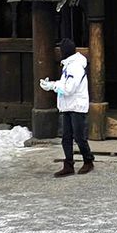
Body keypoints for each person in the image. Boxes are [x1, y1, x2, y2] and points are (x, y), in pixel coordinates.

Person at [40, 37, 94, 177]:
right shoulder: (68, 65)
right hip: (68, 105)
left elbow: (69, 88)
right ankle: (68, 164)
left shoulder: (75, 66)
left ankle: (88, 161)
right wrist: (54, 84)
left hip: (76, 106)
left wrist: (53, 86)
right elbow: (65, 85)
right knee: (66, 137)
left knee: (79, 137)